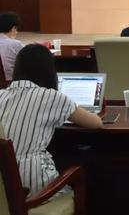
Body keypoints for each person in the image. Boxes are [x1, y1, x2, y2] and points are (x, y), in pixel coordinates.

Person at [0, 44, 102, 196]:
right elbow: (96, 123)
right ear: (48, 70)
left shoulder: (1, 95)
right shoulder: (51, 96)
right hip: (32, 187)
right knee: (77, 176)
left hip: (3, 185)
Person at [0, 12, 24, 81]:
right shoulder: (15, 44)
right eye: (16, 28)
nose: (17, 32)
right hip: (11, 81)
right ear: (13, 28)